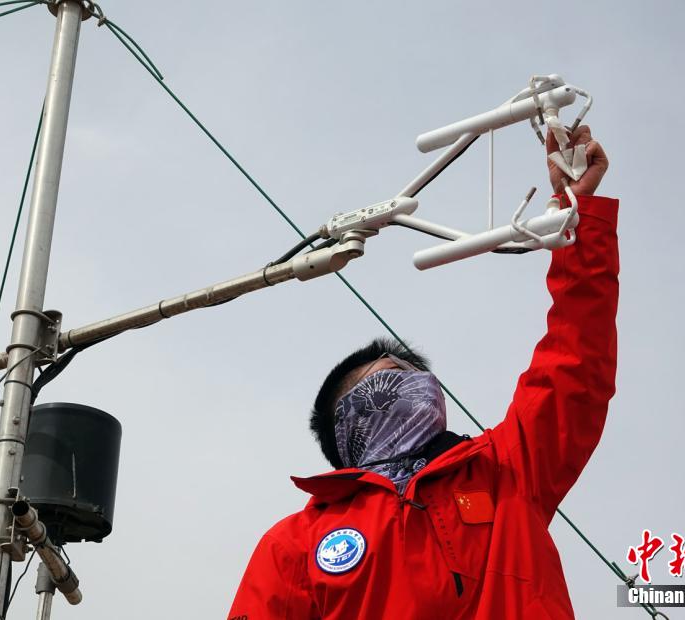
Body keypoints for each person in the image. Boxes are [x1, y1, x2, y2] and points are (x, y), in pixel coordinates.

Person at [228, 125, 616, 619]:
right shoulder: (296, 542)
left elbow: (576, 361)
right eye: (391, 377)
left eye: (417, 376)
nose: (417, 386)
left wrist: (578, 212)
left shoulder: (508, 470)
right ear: (349, 421)